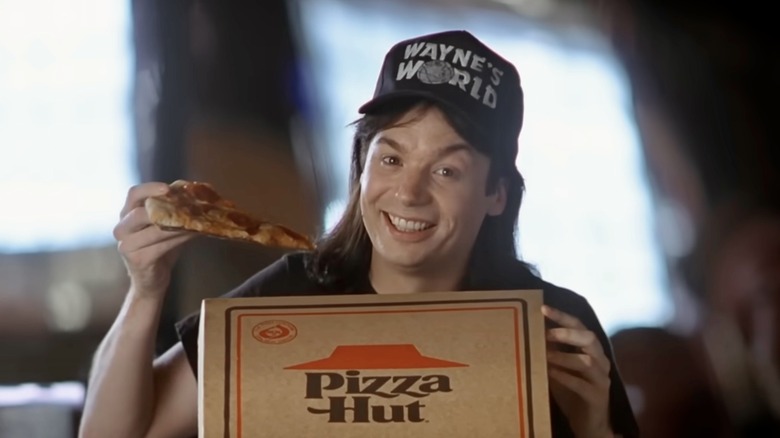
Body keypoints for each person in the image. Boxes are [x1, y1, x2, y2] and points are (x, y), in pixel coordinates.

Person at [78, 30, 638, 438]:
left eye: (447, 170)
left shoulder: (552, 329)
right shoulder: (288, 299)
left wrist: (594, 428)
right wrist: (146, 288)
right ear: (361, 167)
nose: (409, 193)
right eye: (390, 158)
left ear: (496, 193)